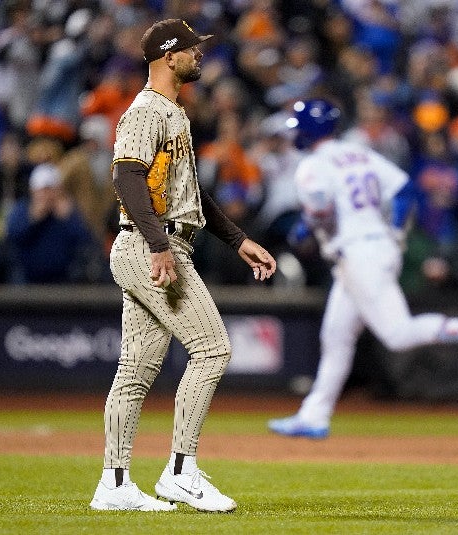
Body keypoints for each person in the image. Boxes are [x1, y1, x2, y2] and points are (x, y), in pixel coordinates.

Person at [89, 19, 277, 512]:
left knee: (135, 371)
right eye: (193, 49)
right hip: (151, 245)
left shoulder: (174, 112)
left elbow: (191, 196)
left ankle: (114, 483)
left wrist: (237, 240)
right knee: (213, 348)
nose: (200, 56)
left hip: (156, 242)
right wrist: (157, 245)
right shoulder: (148, 109)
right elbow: (127, 179)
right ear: (169, 56)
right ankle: (180, 471)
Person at [267, 99, 458, 440]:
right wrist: (397, 232)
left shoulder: (312, 166)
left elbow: (321, 209)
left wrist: (305, 227)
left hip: (359, 255)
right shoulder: (358, 152)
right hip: (371, 248)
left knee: (397, 334)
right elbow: (403, 189)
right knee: (336, 336)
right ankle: (315, 415)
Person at [4, 163, 95, 284]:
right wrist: (32, 220)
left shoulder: (67, 211)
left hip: (63, 280)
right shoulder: (22, 209)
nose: (47, 195)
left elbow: (86, 242)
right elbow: (11, 238)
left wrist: (70, 219)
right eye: (42, 190)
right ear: (33, 191)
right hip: (27, 279)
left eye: (51, 190)